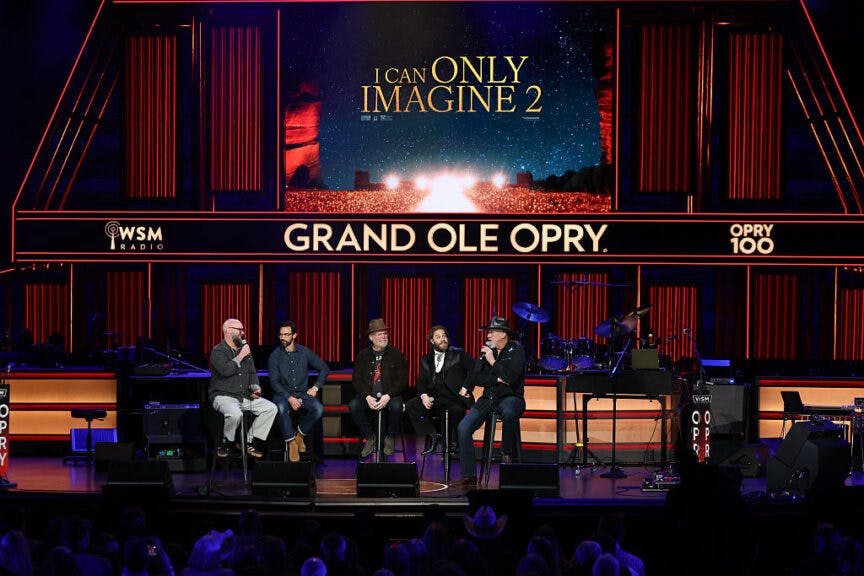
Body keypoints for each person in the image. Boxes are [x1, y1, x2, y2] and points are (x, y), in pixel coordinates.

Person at [452, 316, 526, 488]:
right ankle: (469, 476)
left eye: (491, 332)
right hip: (489, 397)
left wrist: (493, 362)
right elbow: (477, 378)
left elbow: (510, 378)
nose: (488, 335)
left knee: (508, 412)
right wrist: (496, 379)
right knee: (463, 428)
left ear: (503, 334)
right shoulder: (486, 353)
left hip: (511, 397)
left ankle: (507, 456)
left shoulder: (516, 350)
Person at [209, 318, 277, 459]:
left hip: (243, 396)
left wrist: (255, 388)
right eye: (239, 330)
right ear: (228, 330)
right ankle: (226, 442)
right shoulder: (218, 351)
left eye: (242, 330)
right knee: (235, 414)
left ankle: (247, 441)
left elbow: (252, 373)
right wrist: (241, 356)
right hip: (223, 396)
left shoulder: (245, 351)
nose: (243, 333)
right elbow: (226, 371)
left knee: (270, 408)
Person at [406, 325, 474, 456]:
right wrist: (424, 395)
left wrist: (466, 387)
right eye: (438, 337)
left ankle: (454, 445)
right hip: (435, 398)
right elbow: (421, 381)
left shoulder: (459, 354)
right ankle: (433, 435)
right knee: (410, 406)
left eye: (444, 336)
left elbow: (475, 370)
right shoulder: (426, 359)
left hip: (455, 398)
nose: (443, 339)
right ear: (432, 341)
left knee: (456, 411)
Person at [267, 320, 330, 462]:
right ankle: (291, 443)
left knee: (318, 408)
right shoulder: (275, 356)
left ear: (294, 335)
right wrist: (289, 397)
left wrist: (315, 387)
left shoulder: (304, 352)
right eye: (281, 334)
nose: (283, 337)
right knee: (281, 408)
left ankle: (299, 435)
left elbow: (324, 368)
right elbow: (274, 383)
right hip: (283, 394)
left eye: (286, 334)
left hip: (302, 393)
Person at [349, 318, 408, 458]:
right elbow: (356, 380)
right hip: (369, 395)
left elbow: (403, 381)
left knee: (396, 406)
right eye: (379, 334)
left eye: (385, 333)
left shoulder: (396, 354)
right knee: (354, 405)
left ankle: (390, 437)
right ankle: (369, 437)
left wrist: (388, 395)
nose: (384, 336)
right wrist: (367, 396)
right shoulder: (363, 355)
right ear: (371, 337)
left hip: (390, 395)